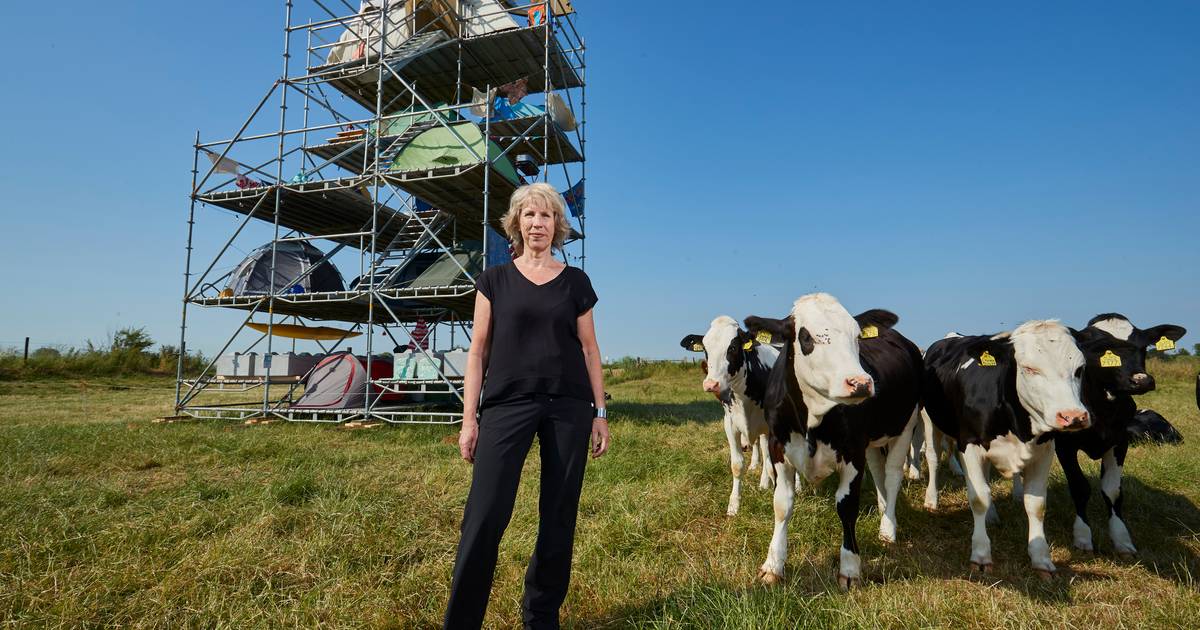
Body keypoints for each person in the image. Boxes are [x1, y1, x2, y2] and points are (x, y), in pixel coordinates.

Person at [444, 182, 610, 630]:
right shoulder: (493, 280)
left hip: (568, 407)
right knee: (485, 515)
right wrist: (469, 420)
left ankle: (541, 616)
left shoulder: (576, 282)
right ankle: (461, 621)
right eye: (530, 215)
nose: (538, 224)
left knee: (558, 515)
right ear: (516, 223)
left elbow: (591, 350)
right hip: (506, 405)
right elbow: (477, 352)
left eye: (547, 216)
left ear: (558, 226)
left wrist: (600, 413)